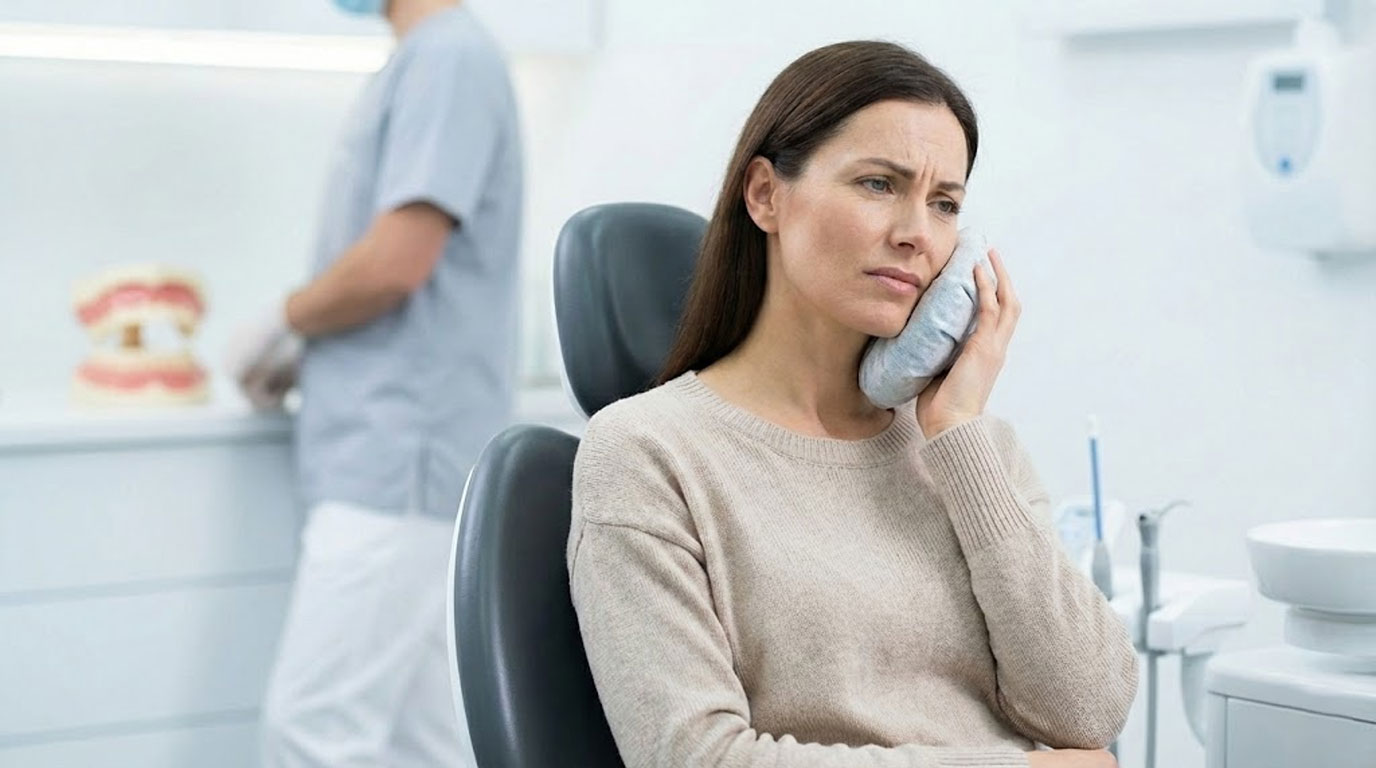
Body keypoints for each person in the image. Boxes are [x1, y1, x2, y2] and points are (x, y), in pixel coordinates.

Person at [566, 41, 1137, 768]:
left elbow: (1090, 712)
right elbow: (696, 757)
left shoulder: (970, 448)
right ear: (765, 195)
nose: (916, 234)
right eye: (878, 184)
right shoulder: (647, 454)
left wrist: (957, 435)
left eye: (944, 204)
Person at [223, 0, 522, 765]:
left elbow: (393, 264)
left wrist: (286, 319)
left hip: (397, 463)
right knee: (425, 741)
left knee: (313, 730)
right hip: (400, 455)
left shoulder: (447, 59)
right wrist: (310, 346)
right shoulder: (429, 59)